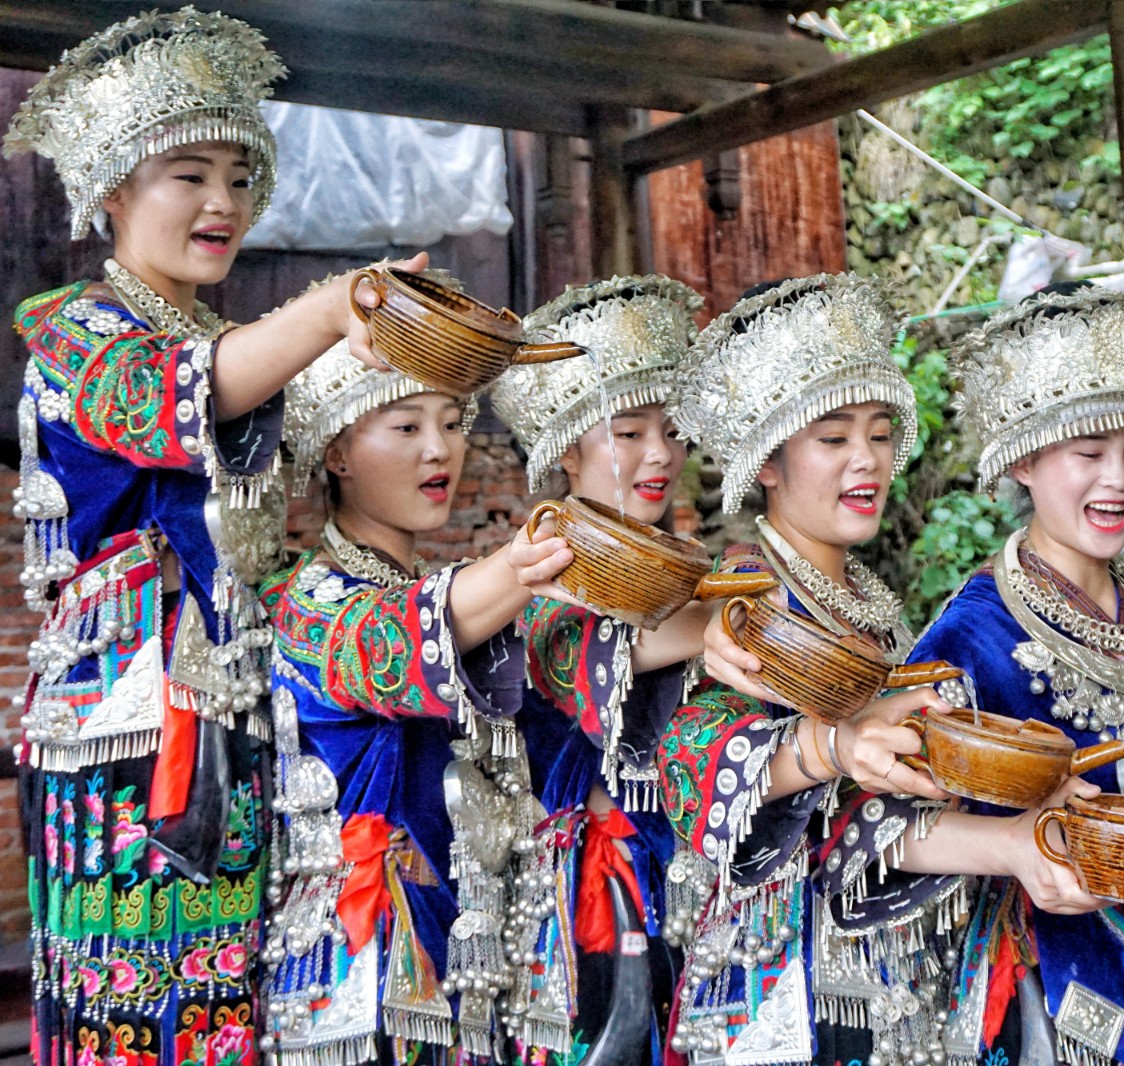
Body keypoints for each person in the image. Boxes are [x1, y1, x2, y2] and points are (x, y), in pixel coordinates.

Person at [3, 10, 428, 1063]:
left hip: (233, 708)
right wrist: (335, 305)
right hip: (124, 729)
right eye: (188, 174)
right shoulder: (80, 334)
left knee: (231, 995)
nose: (223, 203)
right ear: (112, 190)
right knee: (133, 1001)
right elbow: (176, 394)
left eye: (240, 178)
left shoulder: (223, 339)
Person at [872, 285, 1124, 1066]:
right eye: (1088, 453)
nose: (1118, 480)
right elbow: (883, 829)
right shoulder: (969, 638)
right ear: (1023, 458)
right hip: (1061, 1003)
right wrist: (1017, 844)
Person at [655, 273, 954, 1066]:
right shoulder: (740, 599)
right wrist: (831, 750)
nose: (868, 460)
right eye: (833, 438)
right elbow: (691, 762)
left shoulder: (865, 599)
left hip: (874, 968)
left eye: (881, 431)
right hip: (776, 983)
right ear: (768, 462)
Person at [259, 336, 574, 1063]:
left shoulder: (442, 590)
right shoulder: (314, 603)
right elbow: (392, 642)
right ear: (337, 452)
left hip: (461, 937)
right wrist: (522, 567)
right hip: (368, 957)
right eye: (407, 426)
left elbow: (549, 664)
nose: (441, 450)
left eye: (453, 422)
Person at [489, 274, 707, 1062]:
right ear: (568, 446)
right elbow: (586, 661)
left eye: (674, 430)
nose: (661, 455)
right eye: (630, 432)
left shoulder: (701, 577)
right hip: (592, 892)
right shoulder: (535, 580)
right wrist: (732, 622)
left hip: (692, 882)